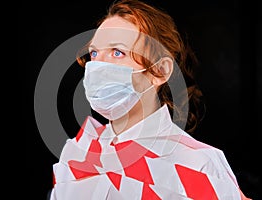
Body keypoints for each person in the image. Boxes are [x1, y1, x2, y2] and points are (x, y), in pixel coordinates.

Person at [49, 0, 250, 199]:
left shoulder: (200, 164)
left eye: (117, 52)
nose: (98, 66)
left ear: (160, 71)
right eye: (94, 53)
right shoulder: (79, 152)